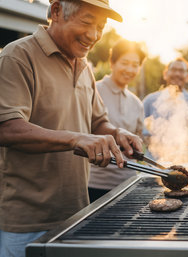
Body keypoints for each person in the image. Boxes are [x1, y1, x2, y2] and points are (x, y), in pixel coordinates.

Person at [0, 1, 142, 256]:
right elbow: (8, 129)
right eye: (87, 22)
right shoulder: (17, 56)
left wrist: (117, 133)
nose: (94, 35)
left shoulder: (84, 66)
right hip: (26, 222)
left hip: (76, 213)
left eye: (100, 27)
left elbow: (98, 122)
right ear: (56, 12)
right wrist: (76, 139)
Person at [88, 39, 146, 202]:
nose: (130, 69)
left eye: (135, 65)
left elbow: (138, 139)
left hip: (128, 182)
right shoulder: (93, 90)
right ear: (112, 63)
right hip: (95, 183)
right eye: (125, 63)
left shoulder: (136, 103)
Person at [142, 57, 188, 161]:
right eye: (173, 70)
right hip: (155, 163)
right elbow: (140, 130)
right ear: (165, 74)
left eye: (181, 71)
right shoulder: (150, 100)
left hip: (186, 162)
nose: (177, 74)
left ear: (187, 76)